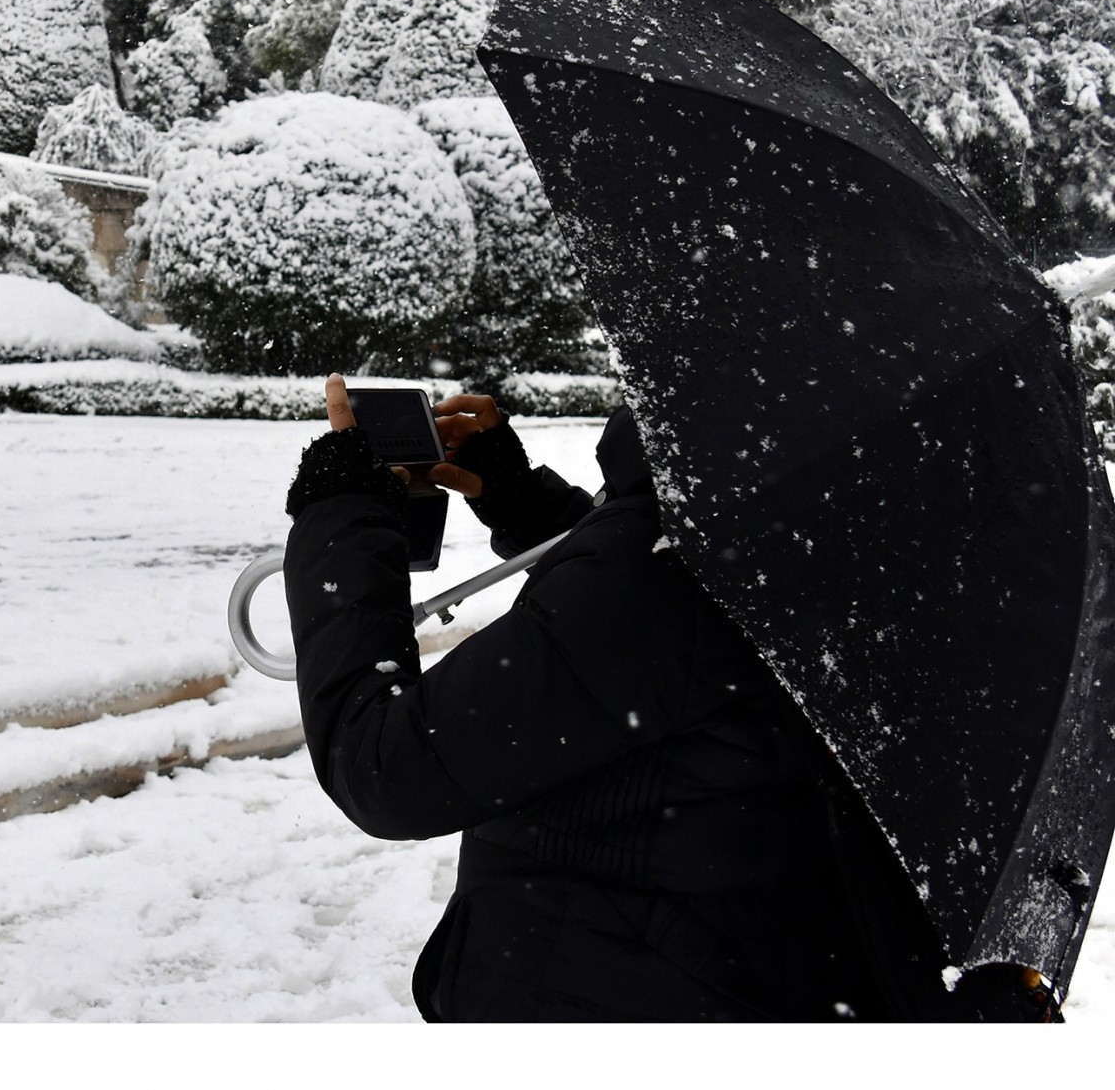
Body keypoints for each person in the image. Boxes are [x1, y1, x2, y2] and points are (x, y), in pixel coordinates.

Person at [285, 374, 892, 1021]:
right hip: (734, 973)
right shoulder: (817, 527)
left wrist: (341, 510)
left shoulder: (669, 563)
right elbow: (645, 656)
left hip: (590, 988)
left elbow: (386, 765)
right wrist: (525, 502)